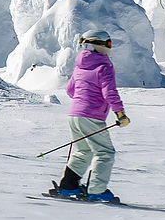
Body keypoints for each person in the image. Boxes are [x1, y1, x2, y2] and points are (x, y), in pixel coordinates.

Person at [48, 28, 130, 204]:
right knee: (105, 152)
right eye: (108, 43)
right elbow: (110, 93)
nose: (110, 47)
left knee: (83, 151)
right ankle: (96, 191)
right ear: (97, 45)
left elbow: (70, 90)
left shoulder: (80, 66)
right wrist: (120, 114)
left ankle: (68, 186)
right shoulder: (104, 66)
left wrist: (83, 98)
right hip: (91, 116)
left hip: (74, 115)